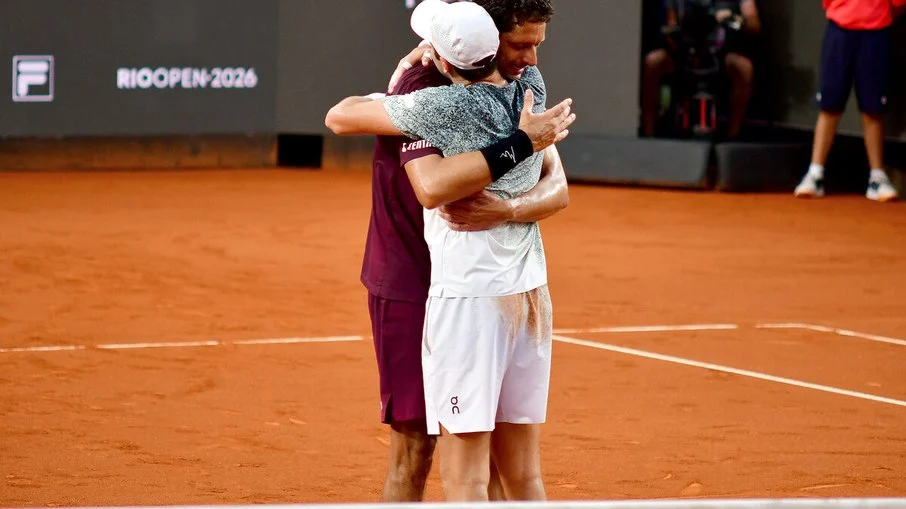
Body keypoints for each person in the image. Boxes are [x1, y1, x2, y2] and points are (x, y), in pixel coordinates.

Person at [325, 0, 562, 501]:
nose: (533, 59)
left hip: (478, 290)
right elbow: (431, 188)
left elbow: (556, 186)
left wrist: (509, 208)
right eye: (521, 44)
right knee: (417, 451)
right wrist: (521, 144)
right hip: (415, 282)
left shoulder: (515, 86)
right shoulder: (428, 91)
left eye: (536, 44)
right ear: (490, 41)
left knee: (490, 467)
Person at [794, 0, 904, 202]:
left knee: (872, 109)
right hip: (839, 32)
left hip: (876, 33)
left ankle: (877, 178)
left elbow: (898, 4)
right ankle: (815, 174)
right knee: (829, 106)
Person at [641, 0, 761, 139]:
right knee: (653, 62)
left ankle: (733, 136)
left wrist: (733, 18)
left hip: (720, 52)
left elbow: (754, 24)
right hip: (684, 51)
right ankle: (648, 133)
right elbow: (670, 25)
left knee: (744, 68)